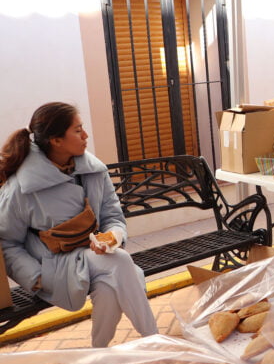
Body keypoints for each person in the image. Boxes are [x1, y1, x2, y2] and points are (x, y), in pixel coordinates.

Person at [0, 102, 158, 347]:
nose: (86, 135)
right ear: (56, 140)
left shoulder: (93, 171)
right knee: (122, 262)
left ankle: (98, 355)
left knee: (108, 288)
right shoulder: (20, 189)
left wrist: (114, 237)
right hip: (54, 269)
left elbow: (112, 215)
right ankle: (155, 342)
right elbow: (8, 243)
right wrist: (35, 277)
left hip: (97, 258)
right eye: (78, 130)